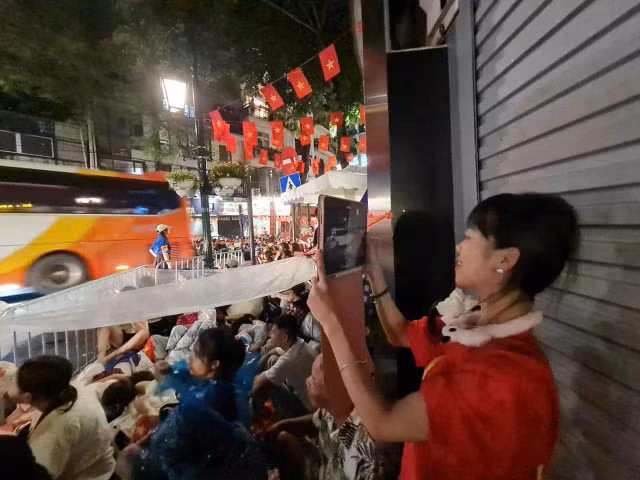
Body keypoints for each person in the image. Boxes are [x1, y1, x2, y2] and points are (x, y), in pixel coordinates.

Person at [307, 193, 580, 479]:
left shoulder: (497, 373)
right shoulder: (473, 323)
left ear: (505, 258)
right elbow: (400, 334)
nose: (459, 248)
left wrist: (331, 322)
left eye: (469, 238)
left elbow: (383, 423)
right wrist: (374, 273)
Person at [122, 327, 267, 480]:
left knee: (128, 455)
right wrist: (168, 371)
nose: (190, 359)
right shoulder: (230, 388)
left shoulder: (199, 406)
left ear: (214, 364)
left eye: (196, 354)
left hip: (194, 471)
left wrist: (143, 440)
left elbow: (166, 452)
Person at [268, 354, 379, 480]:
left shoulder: (360, 453)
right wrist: (281, 425)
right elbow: (316, 420)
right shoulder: (336, 408)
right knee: (284, 438)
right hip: (322, 463)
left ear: (334, 390)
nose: (307, 381)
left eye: (313, 378)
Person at [6, 356, 115, 480]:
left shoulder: (57, 430)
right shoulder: (65, 387)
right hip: (99, 463)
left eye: (13, 380)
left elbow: (40, 473)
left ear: (27, 398)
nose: (10, 381)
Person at [253, 314, 317, 416]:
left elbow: (259, 383)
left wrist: (254, 375)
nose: (269, 334)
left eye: (273, 332)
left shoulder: (289, 359)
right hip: (304, 391)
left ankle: (269, 414)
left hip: (307, 407)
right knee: (272, 359)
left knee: (267, 386)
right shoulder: (298, 344)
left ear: (284, 337)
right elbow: (276, 351)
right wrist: (266, 357)